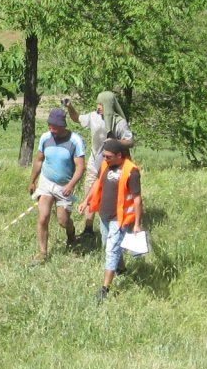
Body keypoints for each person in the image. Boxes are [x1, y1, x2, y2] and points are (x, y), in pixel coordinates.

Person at [65, 91, 134, 237]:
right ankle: (88, 229)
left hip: (113, 166)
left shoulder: (119, 122)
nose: (98, 107)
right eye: (97, 103)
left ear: (108, 105)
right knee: (90, 191)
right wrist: (70, 107)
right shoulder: (93, 117)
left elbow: (130, 141)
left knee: (113, 197)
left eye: (101, 104)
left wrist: (115, 142)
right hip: (94, 163)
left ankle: (119, 226)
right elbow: (76, 118)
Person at [84, 138, 142, 303]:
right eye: (104, 156)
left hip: (120, 218)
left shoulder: (132, 171)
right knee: (108, 245)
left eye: (108, 156)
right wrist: (86, 201)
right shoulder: (105, 165)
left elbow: (137, 199)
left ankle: (104, 289)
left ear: (119, 155)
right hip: (104, 215)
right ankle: (122, 269)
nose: (105, 159)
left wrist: (137, 224)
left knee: (111, 251)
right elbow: (97, 183)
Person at [28, 107, 85, 262]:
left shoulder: (75, 141)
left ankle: (71, 235)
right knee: (43, 217)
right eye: (49, 126)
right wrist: (32, 181)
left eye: (54, 127)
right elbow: (39, 161)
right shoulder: (45, 138)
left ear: (63, 126)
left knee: (63, 220)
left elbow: (80, 166)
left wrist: (71, 184)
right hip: (46, 182)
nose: (51, 130)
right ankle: (42, 253)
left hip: (64, 186)